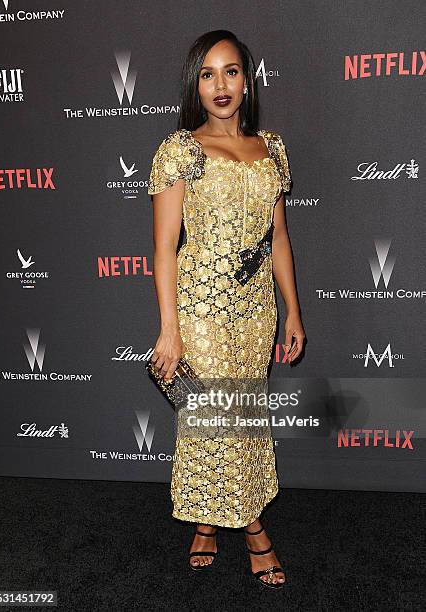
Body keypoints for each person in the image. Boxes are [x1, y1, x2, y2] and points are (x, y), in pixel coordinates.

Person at [147, 29, 305, 589]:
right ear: (196, 82)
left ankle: (212, 525)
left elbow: (279, 239)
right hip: (199, 308)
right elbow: (165, 247)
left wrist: (293, 312)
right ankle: (251, 528)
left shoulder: (272, 149)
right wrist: (170, 329)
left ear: (247, 79)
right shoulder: (179, 151)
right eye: (208, 73)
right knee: (213, 420)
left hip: (256, 307)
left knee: (246, 417)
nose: (221, 85)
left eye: (231, 71)